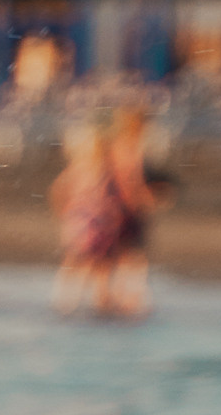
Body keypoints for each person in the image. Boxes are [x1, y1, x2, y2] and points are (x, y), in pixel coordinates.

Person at [51, 106, 158, 318]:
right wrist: (141, 202)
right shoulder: (126, 151)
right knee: (121, 259)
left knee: (88, 260)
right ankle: (123, 300)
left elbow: (58, 189)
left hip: (90, 218)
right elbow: (128, 182)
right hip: (112, 215)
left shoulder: (87, 162)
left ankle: (69, 303)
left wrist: (66, 211)